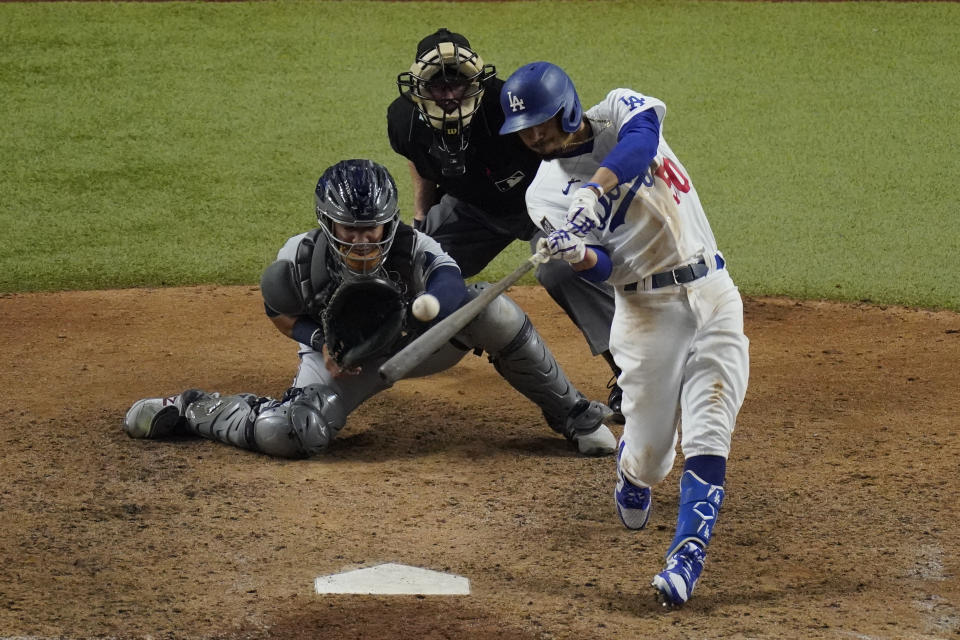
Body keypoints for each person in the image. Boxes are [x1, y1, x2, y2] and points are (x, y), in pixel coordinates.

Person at [124, 159, 617, 458]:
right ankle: (193, 408)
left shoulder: (413, 246)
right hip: (342, 357)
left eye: (373, 228)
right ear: (327, 224)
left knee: (492, 309)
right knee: (290, 433)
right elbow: (278, 309)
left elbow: (450, 283)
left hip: (416, 342)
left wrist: (423, 310)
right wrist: (323, 344)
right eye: (351, 230)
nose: (363, 240)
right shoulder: (299, 258)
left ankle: (575, 417)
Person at [498, 63, 750, 606]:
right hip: (646, 312)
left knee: (710, 430)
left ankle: (686, 559)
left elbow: (641, 141)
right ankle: (631, 469)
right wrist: (579, 254)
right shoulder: (543, 196)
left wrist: (595, 190)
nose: (533, 137)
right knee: (654, 459)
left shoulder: (617, 110)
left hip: (714, 292)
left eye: (540, 122)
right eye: (522, 130)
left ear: (565, 107)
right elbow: (606, 269)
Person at [387, 28, 625, 423]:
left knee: (563, 269)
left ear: (475, 80)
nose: (449, 95)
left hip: (544, 206)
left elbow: (565, 143)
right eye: (438, 85)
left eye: (458, 84)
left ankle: (632, 374)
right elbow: (418, 160)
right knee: (408, 261)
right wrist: (420, 218)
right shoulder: (404, 120)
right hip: (472, 209)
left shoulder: (509, 106)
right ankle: (372, 351)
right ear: (419, 88)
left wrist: (582, 211)